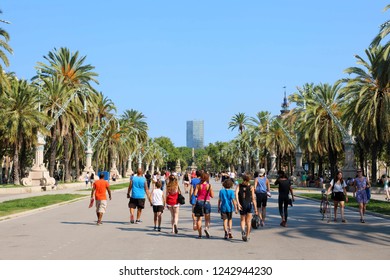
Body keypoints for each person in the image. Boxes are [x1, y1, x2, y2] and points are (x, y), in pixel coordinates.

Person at [235, 173, 258, 242]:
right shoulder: (251, 187)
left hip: (242, 204)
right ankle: (247, 236)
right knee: (248, 221)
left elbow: (236, 194)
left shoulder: (239, 185)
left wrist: (238, 203)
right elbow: (253, 198)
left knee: (242, 220)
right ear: (249, 179)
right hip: (249, 205)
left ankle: (243, 231)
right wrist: (256, 209)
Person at [193, 172, 214, 239]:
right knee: (207, 218)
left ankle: (200, 234)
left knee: (199, 219)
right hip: (207, 202)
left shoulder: (198, 185)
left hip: (199, 202)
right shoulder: (209, 186)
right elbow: (212, 195)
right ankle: (206, 228)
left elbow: (195, 194)